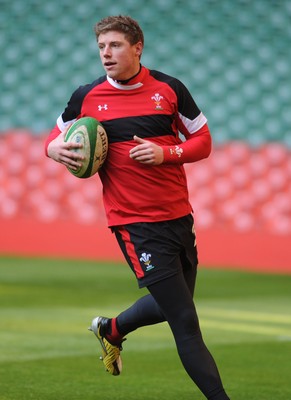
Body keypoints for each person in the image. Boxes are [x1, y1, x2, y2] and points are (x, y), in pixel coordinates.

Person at [45, 15, 230, 400]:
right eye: (101, 48)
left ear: (137, 47)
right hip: (134, 223)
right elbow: (55, 135)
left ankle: (111, 329)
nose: (106, 54)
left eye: (114, 46)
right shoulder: (88, 96)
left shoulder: (170, 89)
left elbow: (203, 141)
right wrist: (52, 149)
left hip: (178, 216)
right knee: (184, 321)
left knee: (168, 308)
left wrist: (166, 153)